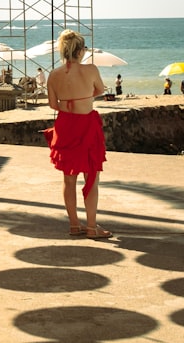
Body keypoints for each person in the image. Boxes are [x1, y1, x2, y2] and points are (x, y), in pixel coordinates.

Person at [45, 29, 111, 240]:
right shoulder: (91, 69)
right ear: (81, 51)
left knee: (69, 179)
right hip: (87, 125)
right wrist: (84, 97)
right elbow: (100, 90)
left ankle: (74, 225)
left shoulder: (54, 75)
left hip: (65, 126)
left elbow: (53, 105)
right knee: (92, 177)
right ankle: (91, 227)